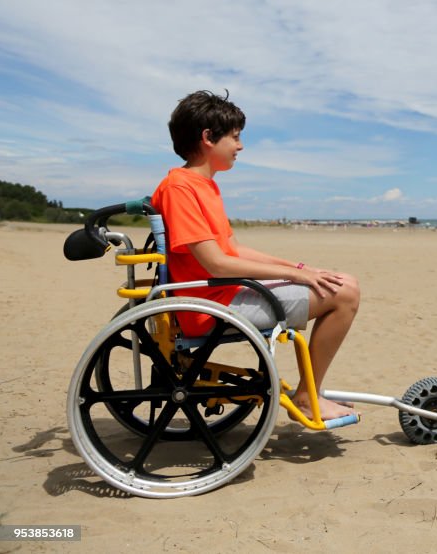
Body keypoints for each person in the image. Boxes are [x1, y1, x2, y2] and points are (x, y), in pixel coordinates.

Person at [151, 90, 360, 423]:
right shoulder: (181, 188)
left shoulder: (204, 185)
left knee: (340, 281)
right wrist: (297, 277)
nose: (240, 146)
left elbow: (233, 249)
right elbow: (216, 264)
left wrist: (299, 267)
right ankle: (308, 397)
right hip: (212, 307)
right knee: (346, 293)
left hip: (224, 292)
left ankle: (310, 391)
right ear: (208, 138)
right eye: (235, 137)